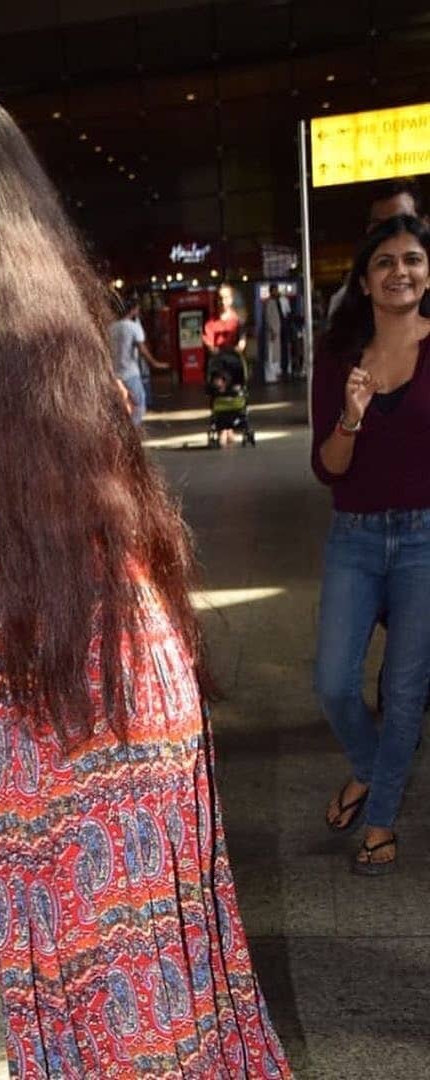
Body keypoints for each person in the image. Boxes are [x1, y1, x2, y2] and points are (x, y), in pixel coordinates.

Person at [0, 94, 291, 1078]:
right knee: (166, 959)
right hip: (136, 657)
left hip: (64, 685)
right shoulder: (59, 315)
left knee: (106, 968)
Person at [312, 214, 430, 876]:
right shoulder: (338, 357)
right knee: (331, 682)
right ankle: (368, 765)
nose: (400, 271)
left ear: (428, 274)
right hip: (355, 536)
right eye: (385, 262)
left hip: (425, 537)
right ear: (364, 280)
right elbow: (327, 467)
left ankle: (380, 820)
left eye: (412, 259)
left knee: (407, 690)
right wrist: (350, 419)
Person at [326, 178, 425, 323]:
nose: (393, 233)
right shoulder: (345, 303)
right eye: (382, 226)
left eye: (403, 221)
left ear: (424, 224)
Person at [109, 296, 167, 427]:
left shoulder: (111, 328)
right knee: (140, 405)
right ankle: (131, 433)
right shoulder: (133, 327)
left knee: (121, 407)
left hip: (115, 375)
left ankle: (121, 431)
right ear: (133, 310)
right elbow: (142, 349)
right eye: (138, 309)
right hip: (130, 373)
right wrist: (155, 363)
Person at [261, 283, 289, 384]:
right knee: (272, 354)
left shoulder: (277, 301)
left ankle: (277, 373)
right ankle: (271, 376)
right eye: (274, 290)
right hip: (272, 332)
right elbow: (268, 318)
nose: (276, 292)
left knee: (277, 354)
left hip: (278, 331)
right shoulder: (269, 303)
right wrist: (272, 330)